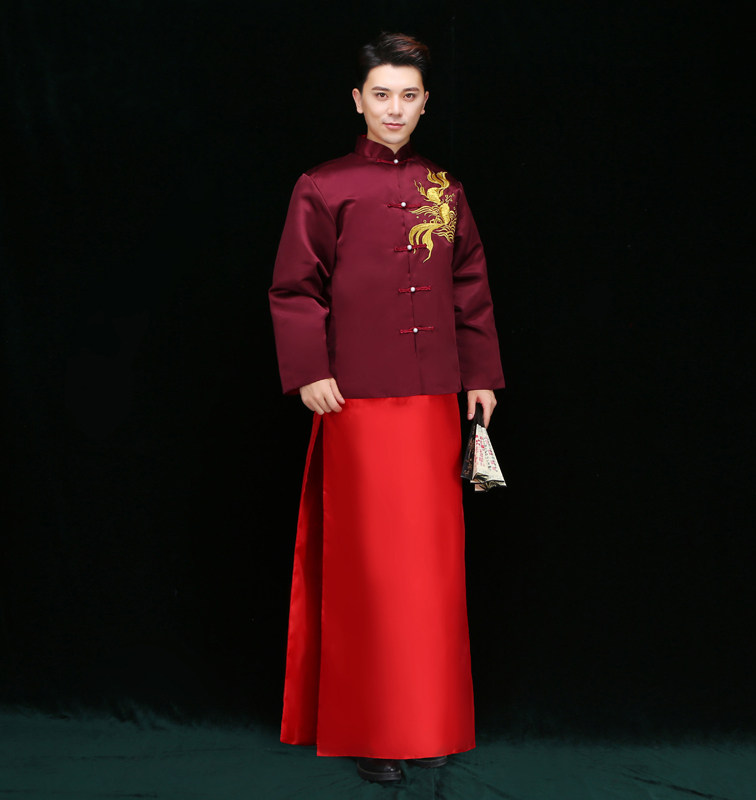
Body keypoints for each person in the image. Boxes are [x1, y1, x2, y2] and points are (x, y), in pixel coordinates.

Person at [269, 32, 504, 784]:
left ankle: (428, 722)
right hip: (358, 403)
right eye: (381, 94)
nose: (394, 108)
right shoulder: (322, 186)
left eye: (408, 95)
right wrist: (310, 369)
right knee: (371, 569)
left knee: (431, 571)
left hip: (434, 398)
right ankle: (372, 731)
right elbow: (294, 287)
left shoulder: (445, 187)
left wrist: (481, 375)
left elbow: (469, 282)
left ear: (425, 102)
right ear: (358, 100)